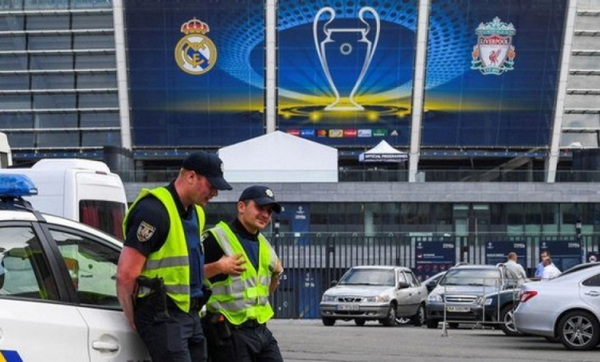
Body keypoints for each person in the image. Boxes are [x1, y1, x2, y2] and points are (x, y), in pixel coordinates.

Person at [116, 151, 232, 362]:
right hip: (162, 316)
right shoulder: (153, 211)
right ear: (191, 177)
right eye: (211, 185)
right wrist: (133, 319)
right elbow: (126, 274)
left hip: (190, 312)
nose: (215, 193)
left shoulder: (197, 212)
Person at [202, 185, 284, 362]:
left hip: (261, 330)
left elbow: (265, 292)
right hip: (229, 332)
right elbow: (187, 275)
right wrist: (218, 267)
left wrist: (277, 275)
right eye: (260, 208)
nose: (265, 215)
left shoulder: (264, 244)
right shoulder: (216, 238)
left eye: (269, 211)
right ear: (241, 207)